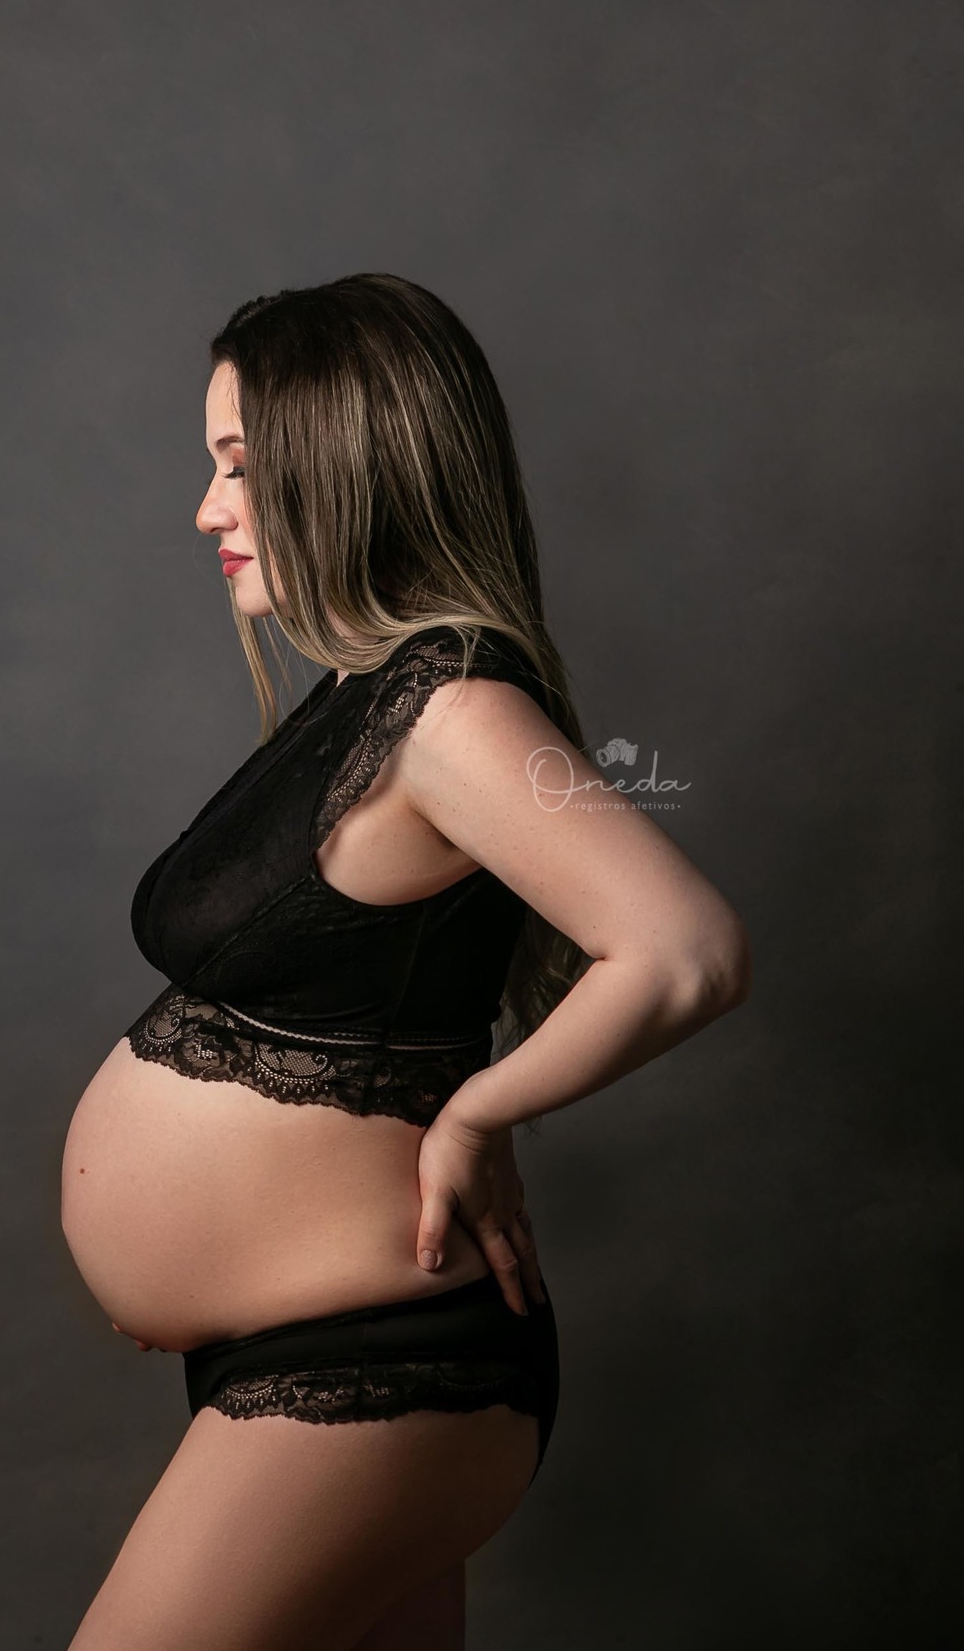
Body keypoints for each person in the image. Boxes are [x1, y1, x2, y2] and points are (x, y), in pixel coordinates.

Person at [61, 272, 751, 1650]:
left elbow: (685, 948)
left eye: (240, 467)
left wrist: (478, 1113)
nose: (208, 510)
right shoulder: (368, 692)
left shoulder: (451, 709)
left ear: (347, 464)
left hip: (373, 1372)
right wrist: (198, 1259)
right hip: (310, 1356)